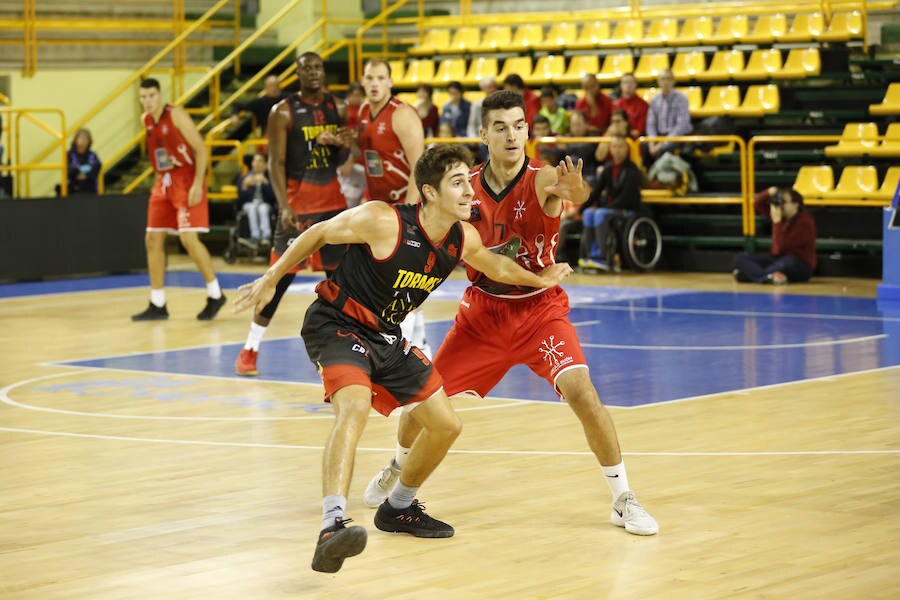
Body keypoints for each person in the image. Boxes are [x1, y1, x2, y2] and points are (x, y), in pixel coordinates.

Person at [233, 144, 573, 573]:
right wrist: (271, 277)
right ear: (429, 193)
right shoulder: (383, 220)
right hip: (338, 324)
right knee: (353, 407)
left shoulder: (461, 237)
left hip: (386, 337)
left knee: (447, 424)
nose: (471, 191)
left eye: (470, 180)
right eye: (458, 183)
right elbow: (318, 233)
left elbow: (496, 267)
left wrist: (539, 279)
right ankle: (331, 526)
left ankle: (398, 508)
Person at [363, 91, 659, 537]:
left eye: (518, 125)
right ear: (483, 134)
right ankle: (397, 466)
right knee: (421, 404)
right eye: (500, 126)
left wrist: (575, 190)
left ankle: (623, 498)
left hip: (539, 310)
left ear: (528, 129)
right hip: (481, 314)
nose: (511, 134)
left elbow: (573, 191)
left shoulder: (543, 178)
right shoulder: (466, 187)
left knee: (583, 391)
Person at [234, 52, 351, 376]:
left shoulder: (338, 107)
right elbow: (276, 163)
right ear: (298, 74)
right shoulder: (282, 111)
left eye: (318, 67)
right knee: (278, 279)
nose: (313, 73)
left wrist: (342, 143)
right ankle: (249, 350)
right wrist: (284, 205)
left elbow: (342, 158)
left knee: (341, 284)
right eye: (307, 68)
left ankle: (346, 353)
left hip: (332, 206)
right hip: (297, 207)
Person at [131, 78, 226, 321]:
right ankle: (157, 302)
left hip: (187, 178)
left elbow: (201, 149)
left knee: (188, 238)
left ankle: (215, 294)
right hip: (165, 180)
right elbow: (160, 152)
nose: (147, 101)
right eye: (143, 97)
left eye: (151, 96)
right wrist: (162, 176)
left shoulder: (176, 115)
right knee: (152, 239)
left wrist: (197, 183)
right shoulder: (147, 121)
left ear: (160, 95)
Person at [356, 58, 430, 354]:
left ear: (390, 82)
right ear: (363, 81)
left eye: (380, 78)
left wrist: (409, 212)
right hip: (379, 206)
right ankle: (419, 339)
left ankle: (402, 346)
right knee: (383, 277)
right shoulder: (363, 112)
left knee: (402, 277)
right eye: (369, 77)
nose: (374, 83)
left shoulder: (401, 114)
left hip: (404, 205)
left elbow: (419, 167)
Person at [578, 135, 644, 272]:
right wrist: (582, 207)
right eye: (614, 147)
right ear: (610, 150)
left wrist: (607, 207)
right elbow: (597, 191)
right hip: (610, 208)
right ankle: (591, 255)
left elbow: (627, 196)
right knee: (588, 212)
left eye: (621, 146)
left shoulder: (632, 170)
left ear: (627, 149)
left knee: (600, 213)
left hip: (627, 208)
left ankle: (603, 257)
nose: (617, 150)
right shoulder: (607, 169)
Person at [733, 187, 816, 284]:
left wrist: (777, 223)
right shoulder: (781, 216)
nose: (780, 206)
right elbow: (757, 204)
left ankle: (754, 275)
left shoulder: (805, 221)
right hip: (778, 261)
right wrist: (768, 192)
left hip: (799, 265)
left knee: (787, 262)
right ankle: (769, 276)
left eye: (783, 202)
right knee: (739, 258)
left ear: (795, 204)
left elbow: (782, 248)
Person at [645, 69, 692, 162]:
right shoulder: (654, 100)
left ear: (673, 81)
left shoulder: (681, 99)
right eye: (663, 79)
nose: (665, 82)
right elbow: (651, 124)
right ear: (658, 81)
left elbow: (681, 127)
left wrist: (661, 145)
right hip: (659, 136)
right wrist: (652, 143)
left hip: (677, 137)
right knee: (643, 148)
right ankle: (648, 175)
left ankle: (662, 176)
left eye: (668, 79)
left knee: (663, 150)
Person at [235, 152, 276, 247]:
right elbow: (241, 199)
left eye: (260, 161)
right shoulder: (245, 178)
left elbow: (273, 198)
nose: (257, 163)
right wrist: (245, 186)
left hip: (265, 204)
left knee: (262, 208)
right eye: (255, 161)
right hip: (249, 205)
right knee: (252, 207)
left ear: (266, 165)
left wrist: (265, 183)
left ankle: (266, 237)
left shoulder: (271, 178)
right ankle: (255, 237)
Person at [66, 128, 101, 195]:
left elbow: (96, 168)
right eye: (81, 138)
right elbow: (69, 171)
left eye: (86, 139)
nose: (83, 141)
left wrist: (81, 171)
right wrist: (85, 169)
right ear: (75, 140)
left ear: (89, 141)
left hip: (90, 191)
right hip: (73, 191)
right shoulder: (69, 154)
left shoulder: (93, 155)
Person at [612, 73, 648, 138]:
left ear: (636, 85)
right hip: (618, 138)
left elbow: (638, 131)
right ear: (621, 85)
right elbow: (613, 127)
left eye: (631, 82)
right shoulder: (616, 105)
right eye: (625, 82)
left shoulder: (643, 105)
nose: (628, 85)